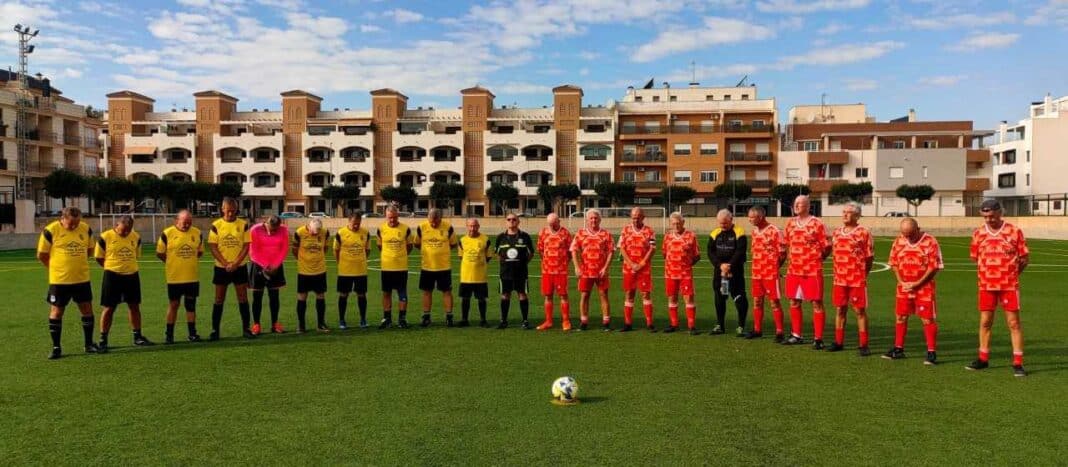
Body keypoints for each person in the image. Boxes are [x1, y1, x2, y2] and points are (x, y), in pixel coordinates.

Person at [967, 200, 1030, 377]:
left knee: (1013, 323)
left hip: (1009, 286)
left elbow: (1024, 258)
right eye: (985, 216)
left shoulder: (1014, 231)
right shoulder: (978, 233)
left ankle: (1018, 363)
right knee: (985, 321)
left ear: (999, 212)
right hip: (986, 285)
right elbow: (974, 257)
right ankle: (983, 358)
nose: (988, 219)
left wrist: (1012, 274)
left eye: (991, 216)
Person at [37, 207, 98, 359]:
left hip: (81, 279)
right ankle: (56, 347)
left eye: (76, 223)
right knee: (57, 312)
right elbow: (42, 255)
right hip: (59, 281)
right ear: (62, 218)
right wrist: (56, 268)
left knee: (87, 310)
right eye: (71, 223)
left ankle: (89, 344)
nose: (73, 226)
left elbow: (90, 250)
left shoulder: (85, 229)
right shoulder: (51, 230)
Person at [886, 217, 943, 365]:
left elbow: (934, 267)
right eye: (905, 234)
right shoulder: (899, 241)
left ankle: (931, 352)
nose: (908, 238)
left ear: (918, 229)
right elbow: (893, 263)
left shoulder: (930, 241)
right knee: (900, 317)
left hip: (924, 287)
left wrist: (918, 283)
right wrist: (901, 281)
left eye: (910, 234)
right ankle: (898, 349)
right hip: (904, 287)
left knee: (927, 319)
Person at [95, 215, 152, 352]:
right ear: (116, 225)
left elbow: (136, 256)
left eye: (128, 230)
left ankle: (137, 337)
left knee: (134, 306)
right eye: (123, 230)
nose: (126, 233)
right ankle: (103, 339)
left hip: (132, 276)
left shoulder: (136, 237)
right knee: (109, 308)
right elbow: (99, 257)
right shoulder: (105, 237)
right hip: (112, 276)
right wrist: (112, 268)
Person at [782, 195, 830, 348]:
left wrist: (817, 259)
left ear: (808, 206)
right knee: (794, 301)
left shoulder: (817, 223)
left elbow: (827, 246)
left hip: (812, 271)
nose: (797, 206)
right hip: (794, 270)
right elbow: (787, 244)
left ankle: (818, 339)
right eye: (795, 203)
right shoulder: (790, 223)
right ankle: (796, 335)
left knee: (816, 303)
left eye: (800, 204)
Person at [156, 210, 208, 343]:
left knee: (191, 306)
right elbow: (160, 253)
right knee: (174, 304)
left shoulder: (197, 233)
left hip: (192, 277)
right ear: (177, 221)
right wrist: (173, 262)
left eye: (189, 223)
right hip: (174, 277)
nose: (187, 225)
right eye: (184, 222)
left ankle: (192, 334)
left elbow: (200, 252)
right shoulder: (167, 233)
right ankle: (169, 335)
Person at [828, 202, 874, 354]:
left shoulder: (864, 233)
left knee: (859, 311)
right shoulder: (836, 232)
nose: (845, 215)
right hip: (839, 279)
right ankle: (839, 342)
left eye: (848, 212)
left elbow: (869, 258)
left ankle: (863, 344)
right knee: (840, 310)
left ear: (857, 215)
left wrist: (863, 274)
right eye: (843, 212)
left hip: (856, 280)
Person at [207, 197, 252, 340]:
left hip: (240, 267)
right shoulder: (216, 225)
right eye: (228, 211)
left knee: (243, 298)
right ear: (222, 209)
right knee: (219, 299)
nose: (231, 214)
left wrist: (236, 263)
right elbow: (213, 247)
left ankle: (246, 329)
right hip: (222, 268)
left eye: (233, 211)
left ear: (237, 210)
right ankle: (215, 331)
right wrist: (226, 263)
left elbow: (246, 245)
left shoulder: (243, 224)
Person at [746, 206, 786, 341]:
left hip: (770, 274)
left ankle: (780, 332)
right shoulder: (754, 232)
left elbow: (782, 253)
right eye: (749, 217)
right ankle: (757, 330)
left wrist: (774, 267)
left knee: (774, 302)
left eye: (752, 217)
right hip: (757, 273)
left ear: (761, 217)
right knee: (757, 301)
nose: (749, 219)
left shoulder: (775, 231)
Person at [570, 209, 614, 331]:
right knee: (584, 295)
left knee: (603, 295)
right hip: (586, 271)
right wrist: (576, 267)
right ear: (587, 220)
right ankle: (583, 322)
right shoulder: (580, 233)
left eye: (596, 218)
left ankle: (606, 323)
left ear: (599, 219)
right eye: (591, 218)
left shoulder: (606, 234)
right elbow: (573, 250)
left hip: (601, 271)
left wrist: (606, 267)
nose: (593, 220)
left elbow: (611, 251)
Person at [708, 209, 749, 336]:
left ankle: (741, 326)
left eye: (725, 223)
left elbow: (740, 251)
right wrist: (720, 266)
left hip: (735, 272)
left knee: (739, 297)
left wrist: (729, 266)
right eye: (720, 223)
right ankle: (720, 325)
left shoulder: (739, 232)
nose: (722, 226)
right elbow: (710, 252)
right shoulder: (714, 233)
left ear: (731, 220)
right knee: (720, 296)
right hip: (720, 274)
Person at [415, 209, 458, 327]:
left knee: (447, 292)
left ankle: (449, 317)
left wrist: (440, 252)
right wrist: (428, 252)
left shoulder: (448, 227)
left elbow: (454, 244)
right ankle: (426, 317)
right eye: (431, 222)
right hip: (427, 267)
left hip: (444, 267)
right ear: (428, 218)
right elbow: (417, 244)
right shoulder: (421, 227)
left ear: (441, 219)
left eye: (436, 222)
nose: (433, 224)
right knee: (427, 292)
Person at [617, 207, 656, 332]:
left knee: (645, 294)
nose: (635, 220)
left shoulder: (649, 231)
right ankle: (628, 323)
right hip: (629, 269)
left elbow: (652, 248)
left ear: (643, 217)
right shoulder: (625, 230)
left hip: (644, 269)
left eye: (638, 217)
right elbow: (622, 248)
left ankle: (650, 323)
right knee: (629, 294)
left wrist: (642, 263)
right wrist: (631, 264)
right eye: (633, 217)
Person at [377, 206, 416, 329]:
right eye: (390, 218)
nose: (392, 220)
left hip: (401, 268)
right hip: (387, 268)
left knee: (402, 293)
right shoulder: (381, 229)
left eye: (394, 217)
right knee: (386, 293)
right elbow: (380, 246)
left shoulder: (405, 229)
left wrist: (400, 256)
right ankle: (387, 319)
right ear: (386, 217)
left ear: (398, 216)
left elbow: (410, 246)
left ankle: (402, 319)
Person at [249, 215, 289, 333]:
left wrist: (275, 265)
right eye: (272, 229)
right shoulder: (255, 230)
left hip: (276, 267)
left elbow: (284, 248)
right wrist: (266, 265)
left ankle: (275, 324)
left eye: (276, 229)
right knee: (257, 297)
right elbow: (253, 252)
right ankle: (256, 325)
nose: (273, 232)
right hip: (258, 266)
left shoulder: (283, 230)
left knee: (274, 297)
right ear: (266, 223)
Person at [662, 212, 700, 334]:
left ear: (683, 223)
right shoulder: (667, 236)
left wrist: (686, 265)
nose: (676, 225)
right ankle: (674, 324)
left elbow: (697, 255)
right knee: (672, 298)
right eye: (674, 223)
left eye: (678, 223)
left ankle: (691, 326)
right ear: (670, 224)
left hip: (685, 274)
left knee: (688, 298)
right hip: (670, 273)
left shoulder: (691, 236)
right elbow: (664, 253)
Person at [495, 213, 535, 329]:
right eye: (509, 219)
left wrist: (523, 263)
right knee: (505, 295)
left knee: (522, 294)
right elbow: (496, 253)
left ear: (518, 222)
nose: (511, 221)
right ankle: (503, 321)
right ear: (506, 222)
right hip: (505, 272)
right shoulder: (500, 237)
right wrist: (503, 262)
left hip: (521, 272)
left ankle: (525, 321)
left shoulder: (525, 236)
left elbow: (531, 253)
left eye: (514, 219)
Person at [334, 211, 371, 329]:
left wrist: (360, 259)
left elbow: (368, 250)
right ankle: (341, 320)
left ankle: (363, 319)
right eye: (354, 224)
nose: (356, 226)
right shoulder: (341, 233)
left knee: (361, 295)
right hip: (345, 270)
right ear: (348, 221)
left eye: (358, 224)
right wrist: (341, 262)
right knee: (343, 294)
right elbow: (336, 250)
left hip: (360, 270)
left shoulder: (365, 233)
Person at [536, 213, 572, 331]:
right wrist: (547, 262)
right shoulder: (543, 232)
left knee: (563, 295)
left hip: (561, 271)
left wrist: (563, 263)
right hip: (547, 271)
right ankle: (548, 321)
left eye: (553, 224)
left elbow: (570, 251)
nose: (551, 226)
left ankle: (566, 321)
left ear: (558, 221)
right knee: (548, 296)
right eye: (549, 224)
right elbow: (541, 250)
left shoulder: (565, 233)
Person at [294, 218, 330, 332]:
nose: (315, 234)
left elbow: (325, 248)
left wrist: (317, 259)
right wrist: (303, 261)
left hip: (320, 270)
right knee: (302, 297)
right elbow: (294, 250)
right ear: (308, 226)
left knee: (320, 296)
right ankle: (301, 325)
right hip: (304, 271)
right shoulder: (299, 233)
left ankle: (320, 324)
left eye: (317, 232)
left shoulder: (325, 232)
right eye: (313, 231)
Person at [458, 218, 493, 327]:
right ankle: (464, 320)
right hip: (466, 276)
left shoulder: (485, 240)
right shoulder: (462, 240)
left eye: (475, 226)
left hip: (480, 276)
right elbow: (461, 256)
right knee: (465, 298)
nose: (472, 228)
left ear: (478, 226)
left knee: (481, 299)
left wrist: (479, 264)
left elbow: (488, 257)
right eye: (470, 226)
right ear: (467, 226)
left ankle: (483, 320)